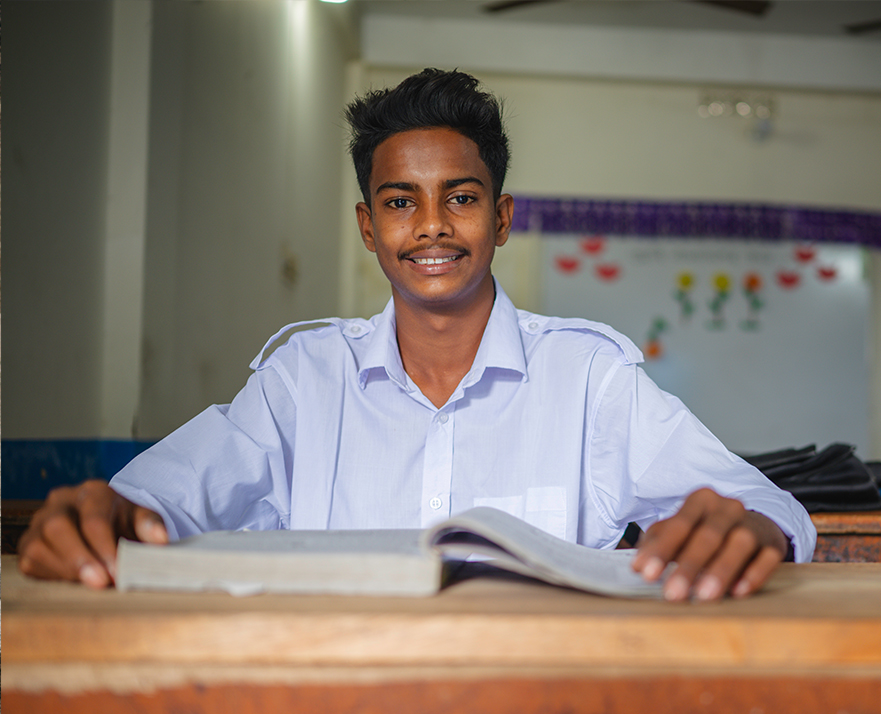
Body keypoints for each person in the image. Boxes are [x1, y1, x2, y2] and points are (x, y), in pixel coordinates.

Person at [18, 68, 816, 601]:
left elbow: (761, 506)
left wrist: (746, 525)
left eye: (460, 197)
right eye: (400, 202)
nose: (431, 226)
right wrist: (105, 513)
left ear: (501, 218)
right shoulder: (304, 379)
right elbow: (162, 500)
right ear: (368, 227)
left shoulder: (587, 378)